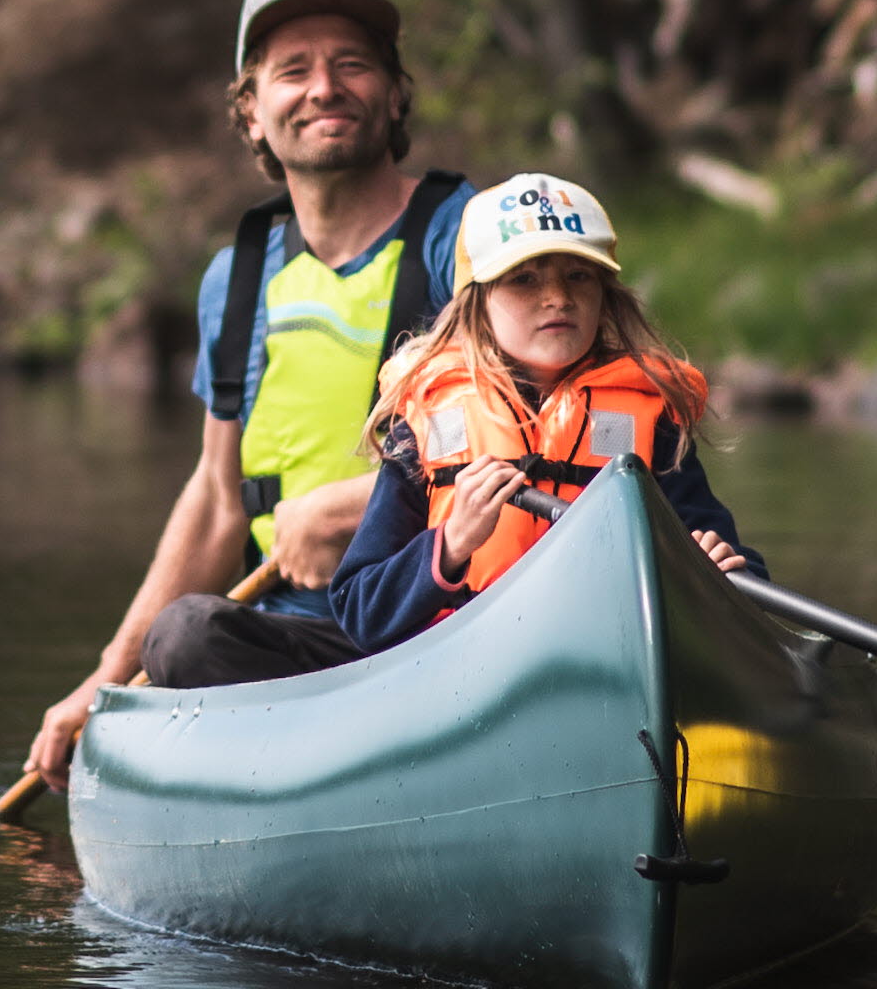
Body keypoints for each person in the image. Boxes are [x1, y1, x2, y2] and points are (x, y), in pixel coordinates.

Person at [18, 0, 473, 790]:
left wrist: (350, 507)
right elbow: (217, 497)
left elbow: (535, 431)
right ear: (251, 116)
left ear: (397, 95)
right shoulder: (238, 277)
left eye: (354, 63)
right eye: (293, 70)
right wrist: (107, 681)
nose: (324, 87)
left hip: (442, 622)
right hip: (299, 645)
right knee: (185, 637)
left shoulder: (465, 236)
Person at [129, 168, 754, 691]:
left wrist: (715, 579)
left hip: (592, 668)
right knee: (187, 634)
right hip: (442, 675)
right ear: (476, 302)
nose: (557, 297)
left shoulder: (651, 425)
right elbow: (361, 606)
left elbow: (743, 573)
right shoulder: (424, 427)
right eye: (525, 279)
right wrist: (449, 546)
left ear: (605, 295)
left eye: (578, 276)